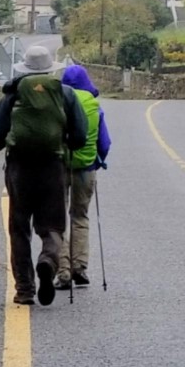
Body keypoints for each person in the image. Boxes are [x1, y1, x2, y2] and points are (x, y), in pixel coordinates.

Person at [0, 45, 86, 307]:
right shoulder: (65, 94)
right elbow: (80, 137)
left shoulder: (13, 94)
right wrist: (67, 144)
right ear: (51, 67)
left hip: (19, 168)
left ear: (24, 68)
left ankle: (25, 290)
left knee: (19, 228)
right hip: (53, 167)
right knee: (52, 226)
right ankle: (48, 261)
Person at [60, 63, 111, 288]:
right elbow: (105, 142)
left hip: (60, 167)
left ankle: (63, 273)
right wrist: (97, 160)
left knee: (58, 220)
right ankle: (79, 267)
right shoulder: (94, 105)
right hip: (86, 170)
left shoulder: (59, 101)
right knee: (80, 217)